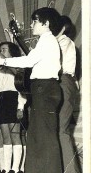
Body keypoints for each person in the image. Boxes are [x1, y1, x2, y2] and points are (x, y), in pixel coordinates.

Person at [0, 7, 63, 173]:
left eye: (35, 21)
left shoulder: (47, 40)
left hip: (44, 89)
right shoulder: (46, 41)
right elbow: (33, 60)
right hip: (44, 89)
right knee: (39, 135)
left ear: (46, 23)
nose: (31, 25)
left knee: (43, 136)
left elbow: (29, 61)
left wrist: (3, 61)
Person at [0, 42, 27, 173]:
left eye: (4, 50)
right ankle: (6, 168)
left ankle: (16, 169)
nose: (1, 52)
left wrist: (21, 107)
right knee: (5, 137)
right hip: (1, 102)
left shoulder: (17, 68)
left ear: (12, 51)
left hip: (13, 101)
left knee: (15, 136)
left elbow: (22, 90)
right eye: (0, 50)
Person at [55, 15, 82, 173]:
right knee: (58, 130)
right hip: (62, 84)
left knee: (61, 130)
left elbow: (57, 65)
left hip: (63, 82)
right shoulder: (57, 43)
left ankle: (71, 171)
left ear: (62, 27)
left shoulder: (64, 42)